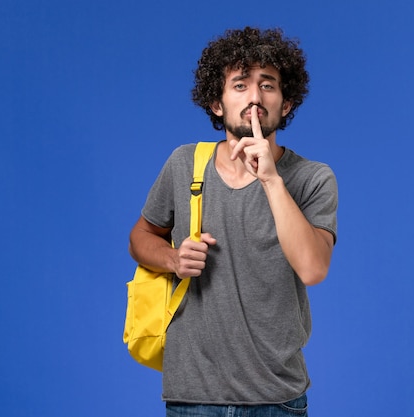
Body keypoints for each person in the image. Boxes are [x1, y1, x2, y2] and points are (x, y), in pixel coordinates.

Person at [128, 27, 338, 417]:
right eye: (240, 84)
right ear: (217, 103)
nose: (255, 97)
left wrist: (272, 179)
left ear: (287, 103)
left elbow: (312, 268)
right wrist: (173, 259)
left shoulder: (313, 177)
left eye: (268, 85)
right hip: (192, 397)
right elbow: (140, 237)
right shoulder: (184, 164)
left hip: (278, 400)